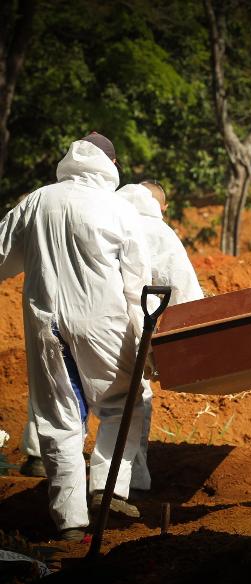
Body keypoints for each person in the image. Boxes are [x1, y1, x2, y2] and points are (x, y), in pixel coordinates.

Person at [0, 133, 152, 540]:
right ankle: (107, 488)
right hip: (105, 324)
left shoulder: (36, 201)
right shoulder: (119, 209)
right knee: (123, 404)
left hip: (44, 323)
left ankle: (70, 522)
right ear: (112, 166)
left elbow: (2, 258)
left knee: (59, 420)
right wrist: (144, 340)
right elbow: (137, 284)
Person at [116, 181, 204, 492]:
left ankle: (37, 454)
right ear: (161, 207)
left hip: (81, 323)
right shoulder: (158, 231)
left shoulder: (102, 217)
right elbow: (183, 290)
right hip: (132, 327)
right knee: (133, 399)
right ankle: (128, 483)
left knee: (67, 399)